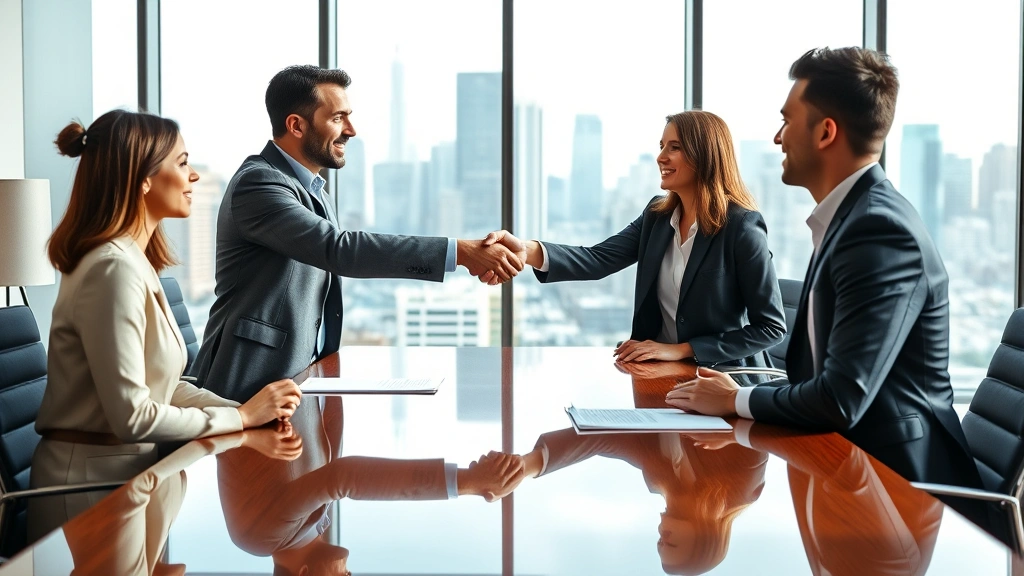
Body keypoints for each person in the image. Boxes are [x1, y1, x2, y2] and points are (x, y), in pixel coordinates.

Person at [667, 47, 982, 489]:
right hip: (844, 465)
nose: (778, 138)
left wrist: (735, 398)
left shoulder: (878, 230)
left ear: (825, 133)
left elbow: (841, 397)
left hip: (897, 487)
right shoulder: (848, 219)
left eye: (787, 121)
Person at [30, 110, 302, 541]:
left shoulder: (133, 263)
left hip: (129, 473)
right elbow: (133, 417)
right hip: (93, 488)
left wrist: (244, 415)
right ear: (143, 179)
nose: (193, 176)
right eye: (181, 163)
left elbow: (164, 384)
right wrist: (241, 418)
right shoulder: (111, 270)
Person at [189, 65, 525, 402]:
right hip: (245, 385)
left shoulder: (312, 188)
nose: (351, 130)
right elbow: (338, 249)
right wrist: (461, 252)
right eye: (338, 118)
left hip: (295, 382)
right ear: (296, 125)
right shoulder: (259, 183)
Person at [489, 111, 785, 370]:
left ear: (704, 155)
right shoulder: (657, 216)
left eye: (675, 147)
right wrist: (524, 249)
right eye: (661, 147)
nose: (661, 157)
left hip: (721, 378)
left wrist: (681, 350)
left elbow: (771, 328)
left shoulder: (741, 226)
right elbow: (597, 260)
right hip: (658, 372)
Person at [215, 398, 524, 576]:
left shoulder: (261, 536)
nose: (350, 575)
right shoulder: (315, 523)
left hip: (263, 356)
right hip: (306, 360)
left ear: (303, 575)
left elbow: (343, 477)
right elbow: (330, 438)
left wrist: (466, 482)